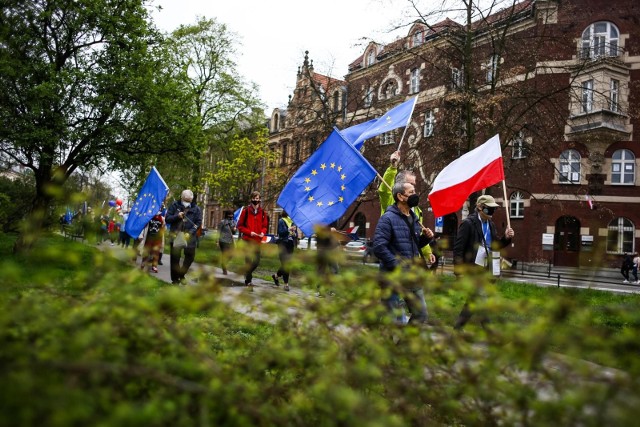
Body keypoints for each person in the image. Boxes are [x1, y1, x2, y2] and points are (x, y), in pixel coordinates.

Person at [373, 181, 434, 325]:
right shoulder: (388, 219)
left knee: (421, 314)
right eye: (411, 192)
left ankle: (402, 344)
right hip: (393, 276)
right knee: (396, 319)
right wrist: (397, 265)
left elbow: (412, 245)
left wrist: (425, 238)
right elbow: (379, 246)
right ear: (400, 196)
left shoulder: (413, 217)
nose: (415, 195)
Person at [452, 194, 515, 330]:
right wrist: (459, 271)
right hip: (471, 268)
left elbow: (495, 245)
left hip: (486, 268)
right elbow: (458, 248)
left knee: (474, 300)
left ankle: (457, 328)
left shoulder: (491, 225)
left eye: (494, 209)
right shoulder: (468, 224)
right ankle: (492, 334)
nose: (492, 211)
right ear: (480, 207)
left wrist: (506, 237)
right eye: (489, 208)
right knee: (481, 298)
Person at [165, 189, 203, 285]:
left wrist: (190, 233)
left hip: (189, 236)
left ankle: (181, 274)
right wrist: (177, 216)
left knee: (190, 257)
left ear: (192, 199)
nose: (187, 202)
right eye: (185, 200)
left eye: (189, 200)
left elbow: (198, 222)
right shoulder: (174, 205)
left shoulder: (196, 209)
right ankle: (175, 280)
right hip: (176, 235)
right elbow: (167, 219)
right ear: (181, 198)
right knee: (175, 259)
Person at [237, 191, 268, 290]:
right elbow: (240, 226)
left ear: (260, 200)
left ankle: (247, 273)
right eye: (254, 198)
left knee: (256, 261)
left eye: (258, 198)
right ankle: (249, 282)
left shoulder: (262, 212)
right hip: (247, 240)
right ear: (251, 199)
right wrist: (250, 232)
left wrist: (263, 232)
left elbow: (265, 226)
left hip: (257, 241)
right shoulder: (245, 211)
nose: (256, 200)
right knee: (248, 261)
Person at [272, 211, 297, 292]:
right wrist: (289, 229)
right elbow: (280, 233)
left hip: (290, 244)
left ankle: (276, 276)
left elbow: (295, 234)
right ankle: (286, 284)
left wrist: (294, 233)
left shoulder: (291, 221)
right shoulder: (281, 220)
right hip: (283, 243)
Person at [217, 210, 236, 275]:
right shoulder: (222, 222)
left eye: (232, 214)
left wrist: (234, 230)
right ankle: (224, 268)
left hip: (230, 241)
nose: (231, 216)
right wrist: (217, 241)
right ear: (226, 215)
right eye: (229, 214)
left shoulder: (233, 222)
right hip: (223, 240)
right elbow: (218, 231)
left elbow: (233, 233)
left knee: (231, 255)